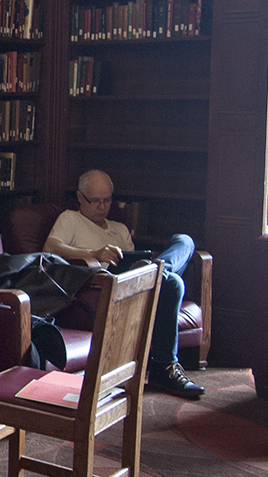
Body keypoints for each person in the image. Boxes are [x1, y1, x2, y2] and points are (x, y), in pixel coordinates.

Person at [42, 169, 205, 400]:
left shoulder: (119, 229)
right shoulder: (71, 219)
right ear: (80, 197)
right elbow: (50, 248)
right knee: (174, 283)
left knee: (184, 240)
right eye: (95, 200)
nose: (102, 206)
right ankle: (157, 275)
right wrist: (95, 253)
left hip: (137, 280)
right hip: (112, 285)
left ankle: (156, 270)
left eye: (107, 200)